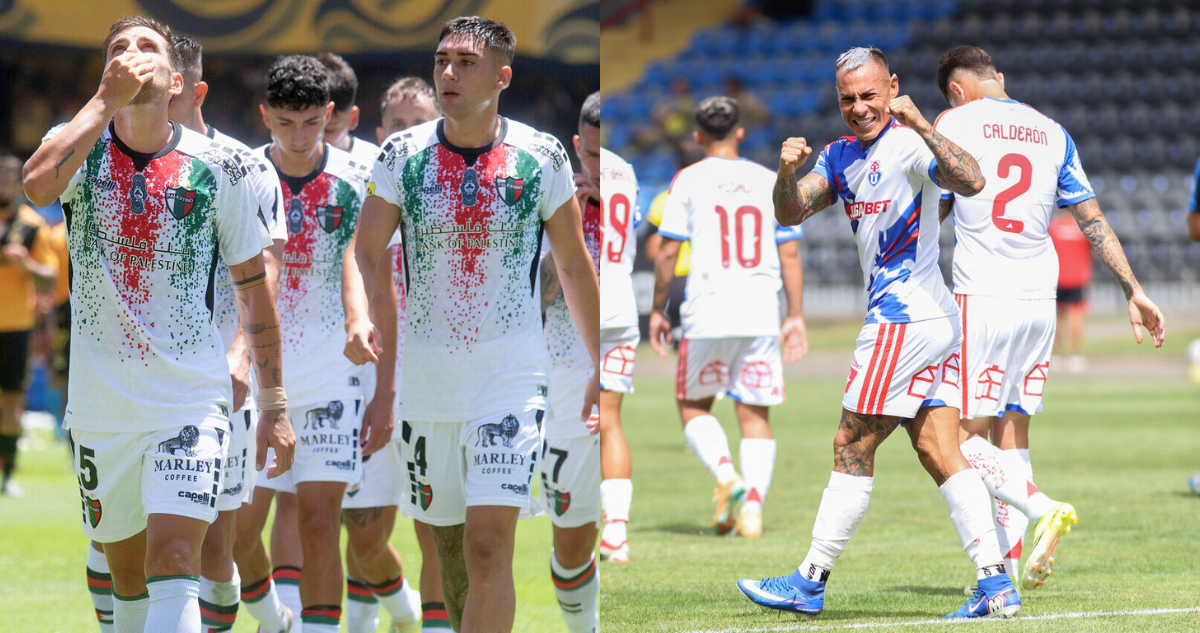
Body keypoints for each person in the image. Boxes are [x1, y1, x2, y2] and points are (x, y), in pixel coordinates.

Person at [23, 16, 294, 632]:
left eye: (148, 48)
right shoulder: (74, 148)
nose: (132, 56)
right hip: (101, 406)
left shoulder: (219, 167)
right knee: (126, 584)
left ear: (177, 81)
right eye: (119, 49)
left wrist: (274, 402)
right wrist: (103, 101)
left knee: (176, 557)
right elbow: (37, 186)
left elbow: (255, 292)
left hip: (189, 400)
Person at [734, 47, 1020, 619]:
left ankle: (809, 579)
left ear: (892, 87)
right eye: (848, 98)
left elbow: (972, 180)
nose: (860, 107)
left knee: (850, 444)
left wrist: (920, 124)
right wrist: (787, 172)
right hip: (927, 319)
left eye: (869, 95)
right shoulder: (840, 156)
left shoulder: (911, 143)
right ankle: (996, 587)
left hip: (902, 319)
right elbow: (790, 213)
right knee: (940, 448)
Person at [347, 16, 601, 633]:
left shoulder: (539, 156)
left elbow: (571, 261)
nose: (449, 73)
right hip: (428, 387)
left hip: (510, 381)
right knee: (450, 551)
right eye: (442, 60)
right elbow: (364, 251)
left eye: (466, 62)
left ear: (502, 76)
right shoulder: (402, 155)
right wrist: (358, 314)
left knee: (489, 544)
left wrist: (600, 363)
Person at [934, 46, 1165, 593]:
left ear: (957, 90)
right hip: (1040, 301)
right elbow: (1091, 217)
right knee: (1013, 434)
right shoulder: (1052, 131)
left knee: (962, 440)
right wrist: (1133, 289)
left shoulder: (953, 121)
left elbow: (936, 204)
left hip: (980, 296)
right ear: (1000, 79)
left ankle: (1042, 508)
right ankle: (1009, 571)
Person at [165, 34, 292, 633]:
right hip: (139, 379)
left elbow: (265, 269)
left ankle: (273, 620)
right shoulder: (109, 156)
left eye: (164, 82)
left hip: (219, 378)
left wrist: (243, 355)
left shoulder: (244, 167)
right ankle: (275, 619)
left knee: (217, 543)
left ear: (194, 89)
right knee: (130, 546)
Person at [251, 54, 374, 633]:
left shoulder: (355, 180)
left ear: (330, 114)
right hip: (256, 375)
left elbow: (357, 258)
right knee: (240, 527)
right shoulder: (243, 175)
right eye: (284, 123)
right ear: (265, 117)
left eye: (310, 123)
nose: (299, 138)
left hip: (330, 374)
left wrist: (358, 320)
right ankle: (274, 619)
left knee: (321, 519)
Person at [649, 95, 807, 539]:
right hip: (760, 310)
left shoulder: (689, 179)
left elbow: (665, 252)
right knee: (754, 414)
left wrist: (660, 309)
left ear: (697, 136)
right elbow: (790, 253)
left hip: (707, 311)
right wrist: (794, 314)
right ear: (740, 132)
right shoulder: (766, 179)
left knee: (693, 405)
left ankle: (728, 476)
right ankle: (753, 507)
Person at [366, 74, 453, 632]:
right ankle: (402, 611)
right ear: (380, 133)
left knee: (434, 525)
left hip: (429, 377)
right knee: (366, 534)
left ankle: (436, 622)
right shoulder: (364, 194)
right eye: (398, 125)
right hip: (362, 385)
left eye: (419, 124)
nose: (407, 134)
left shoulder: (451, 198)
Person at [536, 90, 603, 632]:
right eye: (594, 156)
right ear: (579, 148)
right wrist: (570, 235)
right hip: (564, 383)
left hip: (625, 376)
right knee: (572, 535)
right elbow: (537, 298)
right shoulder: (556, 203)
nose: (600, 169)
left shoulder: (636, 206)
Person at [596, 95, 640, 564]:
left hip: (581, 306)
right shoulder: (625, 170)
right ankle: (617, 535)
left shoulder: (568, 167)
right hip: (622, 307)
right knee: (610, 421)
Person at [0, 154, 58, 498]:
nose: (5, 182)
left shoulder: (31, 224)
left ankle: (8, 474)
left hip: (16, 326)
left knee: (11, 402)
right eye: (1, 176)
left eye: (11, 176)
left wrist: (26, 266)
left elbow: (51, 276)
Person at [318, 53, 384, 168]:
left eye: (329, 130)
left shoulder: (374, 162)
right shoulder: (283, 162)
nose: (316, 137)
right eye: (309, 124)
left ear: (353, 118)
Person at [1048, 209, 1093, 372]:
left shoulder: (1053, 227)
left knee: (1058, 316)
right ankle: (1074, 355)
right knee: (1076, 315)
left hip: (1057, 276)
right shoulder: (1081, 228)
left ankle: (1058, 355)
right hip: (1077, 277)